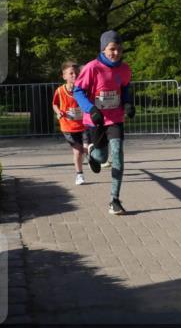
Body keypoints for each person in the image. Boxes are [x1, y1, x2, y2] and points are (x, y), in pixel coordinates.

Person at [73, 31, 134, 215]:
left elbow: (125, 89)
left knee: (117, 154)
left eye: (119, 49)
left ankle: (114, 200)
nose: (116, 53)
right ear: (103, 48)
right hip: (96, 120)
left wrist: (129, 103)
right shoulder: (92, 68)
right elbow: (78, 91)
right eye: (112, 49)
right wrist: (91, 109)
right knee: (101, 157)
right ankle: (91, 153)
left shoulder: (124, 69)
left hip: (115, 118)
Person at [52, 61, 88, 186]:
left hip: (83, 125)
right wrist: (58, 112)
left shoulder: (83, 89)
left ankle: (88, 156)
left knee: (86, 149)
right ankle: (79, 174)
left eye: (76, 73)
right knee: (78, 151)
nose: (74, 75)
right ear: (64, 76)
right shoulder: (60, 91)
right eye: (71, 73)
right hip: (68, 126)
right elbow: (54, 104)